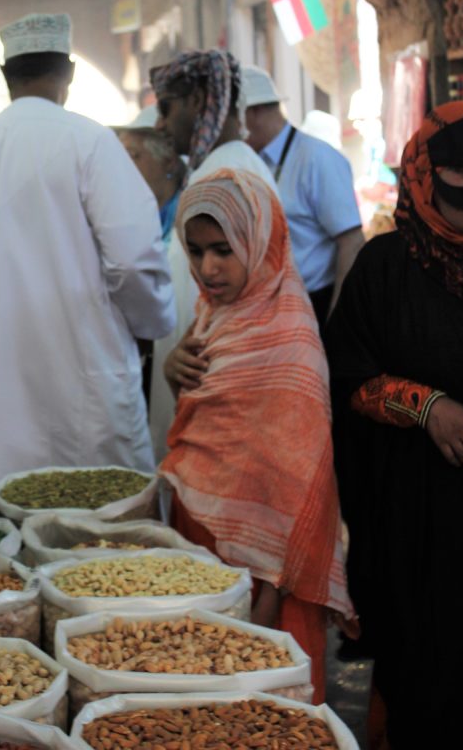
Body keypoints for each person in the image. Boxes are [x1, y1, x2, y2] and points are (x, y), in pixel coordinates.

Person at [0, 12, 175, 482]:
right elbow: (134, 261)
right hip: (87, 373)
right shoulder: (91, 143)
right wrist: (149, 325)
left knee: (12, 524)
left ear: (5, 76)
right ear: (69, 72)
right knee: (105, 533)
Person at [325, 101, 463, 750]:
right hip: (420, 528)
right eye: (459, 201)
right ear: (423, 180)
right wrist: (424, 407)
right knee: (430, 687)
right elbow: (344, 380)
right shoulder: (385, 269)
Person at [160, 168, 353, 703]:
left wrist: (265, 596)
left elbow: (291, 486)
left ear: (260, 241)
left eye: (223, 249)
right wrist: (171, 369)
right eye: (195, 251)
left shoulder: (289, 338)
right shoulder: (214, 316)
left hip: (268, 578)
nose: (207, 268)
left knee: (264, 705)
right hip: (204, 551)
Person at [147, 50, 275, 460]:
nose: (160, 124)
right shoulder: (226, 166)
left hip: (219, 384)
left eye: (167, 108)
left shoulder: (228, 175)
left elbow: (243, 301)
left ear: (200, 101)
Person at [240, 65, 363, 325]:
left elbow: (351, 242)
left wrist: (337, 319)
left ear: (254, 112)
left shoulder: (317, 158)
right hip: (277, 307)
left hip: (317, 303)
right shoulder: (254, 161)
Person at [115, 105, 186, 243]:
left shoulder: (188, 217)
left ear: (168, 162)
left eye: (131, 155)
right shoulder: (126, 213)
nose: (121, 165)